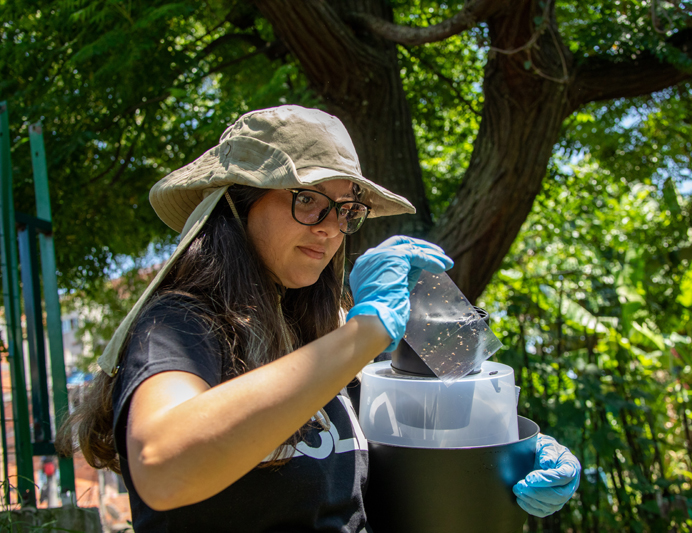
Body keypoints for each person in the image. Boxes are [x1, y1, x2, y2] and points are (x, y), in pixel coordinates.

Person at [57, 105, 580, 531]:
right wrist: (363, 332)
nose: (332, 228)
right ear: (237, 205)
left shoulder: (323, 331)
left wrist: (510, 452)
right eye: (309, 200)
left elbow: (406, 458)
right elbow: (162, 466)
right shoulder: (180, 323)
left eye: (347, 210)